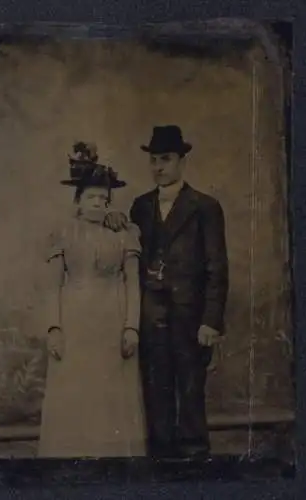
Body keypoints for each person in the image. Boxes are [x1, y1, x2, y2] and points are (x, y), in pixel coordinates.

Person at [105, 125, 229, 460]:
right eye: (153, 159)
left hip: (190, 316)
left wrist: (211, 321)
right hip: (151, 314)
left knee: (190, 391)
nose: (158, 166)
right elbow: (126, 250)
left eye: (166, 159)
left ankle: (195, 462)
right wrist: (110, 218)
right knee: (156, 390)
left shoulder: (205, 207)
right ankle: (160, 465)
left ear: (182, 161)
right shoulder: (140, 206)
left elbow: (217, 269)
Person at [38, 141, 146, 458]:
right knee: (77, 389)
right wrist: (53, 328)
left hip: (113, 317)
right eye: (91, 197)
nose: (98, 203)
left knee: (112, 395)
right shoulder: (64, 233)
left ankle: (112, 464)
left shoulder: (125, 232)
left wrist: (132, 327)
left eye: (104, 198)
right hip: (75, 320)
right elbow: (51, 286)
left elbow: (133, 284)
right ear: (78, 201)